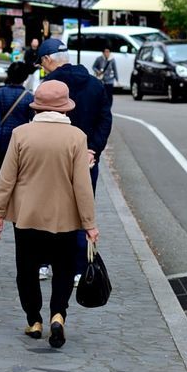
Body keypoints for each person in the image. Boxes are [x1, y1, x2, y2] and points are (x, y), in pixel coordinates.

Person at [0, 81, 98, 348]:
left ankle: (33, 319)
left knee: (26, 268)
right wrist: (89, 224)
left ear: (38, 106)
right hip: (65, 217)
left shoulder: (20, 133)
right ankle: (58, 315)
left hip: (27, 214)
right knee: (63, 268)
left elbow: (7, 177)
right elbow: (82, 186)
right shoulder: (76, 137)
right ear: (65, 108)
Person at [36, 38, 112, 279]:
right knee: (82, 210)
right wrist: (93, 149)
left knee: (48, 208)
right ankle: (79, 268)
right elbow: (105, 120)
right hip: (86, 159)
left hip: (53, 159)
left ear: (48, 60)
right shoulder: (94, 84)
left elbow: (40, 123)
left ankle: (45, 263)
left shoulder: (49, 86)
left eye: (42, 63)